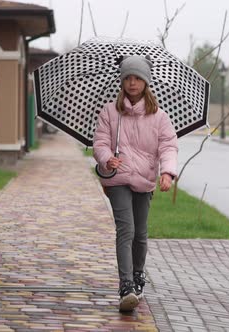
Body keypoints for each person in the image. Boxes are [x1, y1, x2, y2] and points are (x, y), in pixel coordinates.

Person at [93, 55, 178, 312]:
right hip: (117, 180)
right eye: (128, 78)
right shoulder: (110, 112)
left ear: (145, 82)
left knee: (140, 234)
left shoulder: (159, 117)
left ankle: (139, 275)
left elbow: (168, 146)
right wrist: (107, 159)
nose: (132, 83)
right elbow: (99, 143)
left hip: (145, 180)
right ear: (122, 81)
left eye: (137, 78)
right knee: (126, 229)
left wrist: (167, 172)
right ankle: (126, 285)